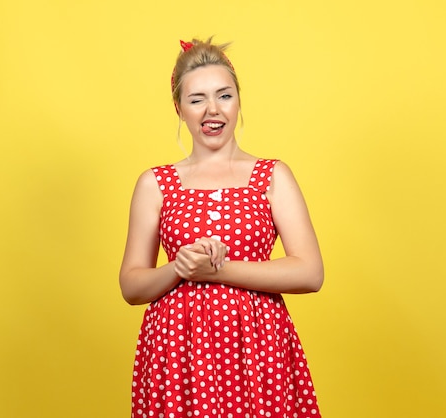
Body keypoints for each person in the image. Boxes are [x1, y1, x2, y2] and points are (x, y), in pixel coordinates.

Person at [119, 37, 325, 418]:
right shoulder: (155, 183)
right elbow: (131, 286)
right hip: (177, 353)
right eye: (197, 99)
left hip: (258, 349)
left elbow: (310, 272)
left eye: (224, 96)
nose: (212, 110)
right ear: (179, 109)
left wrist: (220, 270)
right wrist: (178, 267)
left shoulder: (272, 176)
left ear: (238, 100)